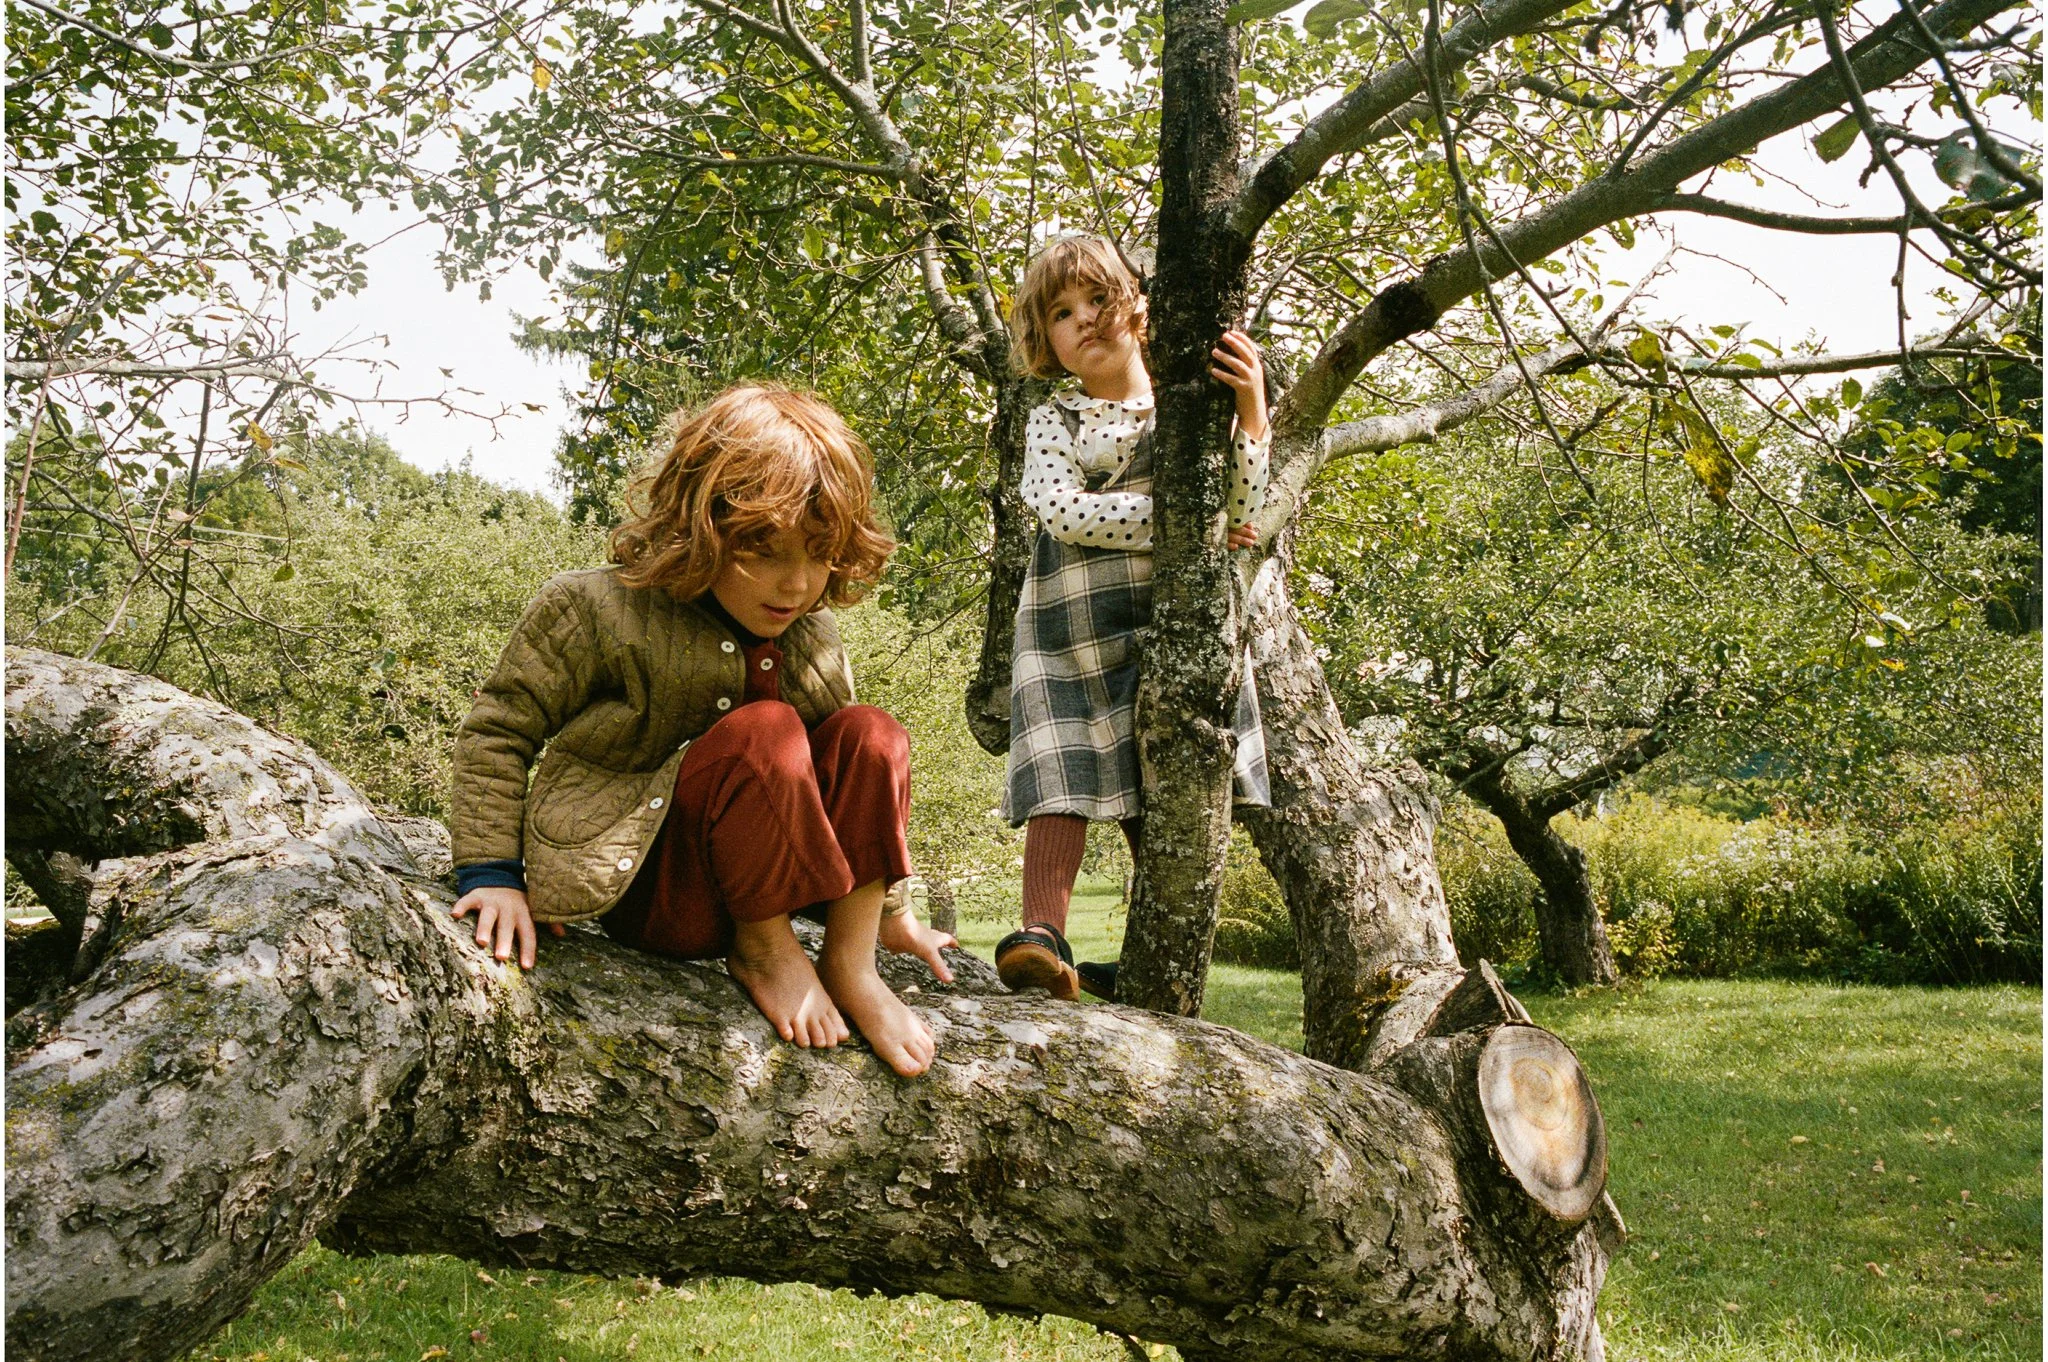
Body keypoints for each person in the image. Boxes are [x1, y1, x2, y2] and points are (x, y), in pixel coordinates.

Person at [447, 383, 956, 1077]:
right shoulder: (593, 606)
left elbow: (853, 782)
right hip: (663, 892)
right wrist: (494, 875)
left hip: (783, 880)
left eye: (818, 554)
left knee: (872, 732)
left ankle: (850, 963)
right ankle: (765, 951)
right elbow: (498, 732)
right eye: (764, 551)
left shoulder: (811, 633)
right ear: (700, 526)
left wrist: (893, 912)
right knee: (764, 731)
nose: (796, 584)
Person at [995, 235, 1271, 1002]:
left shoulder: (1188, 412)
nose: (1085, 318)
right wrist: (1186, 520)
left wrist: (1252, 413)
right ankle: (1043, 939)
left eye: (1098, 298)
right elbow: (1063, 512)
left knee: (1165, 785)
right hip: (1069, 630)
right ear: (1044, 339)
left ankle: (1152, 956)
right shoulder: (1055, 419)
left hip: (1165, 629)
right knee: (1066, 768)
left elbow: (1241, 508)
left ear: (1139, 307)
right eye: (1061, 312)